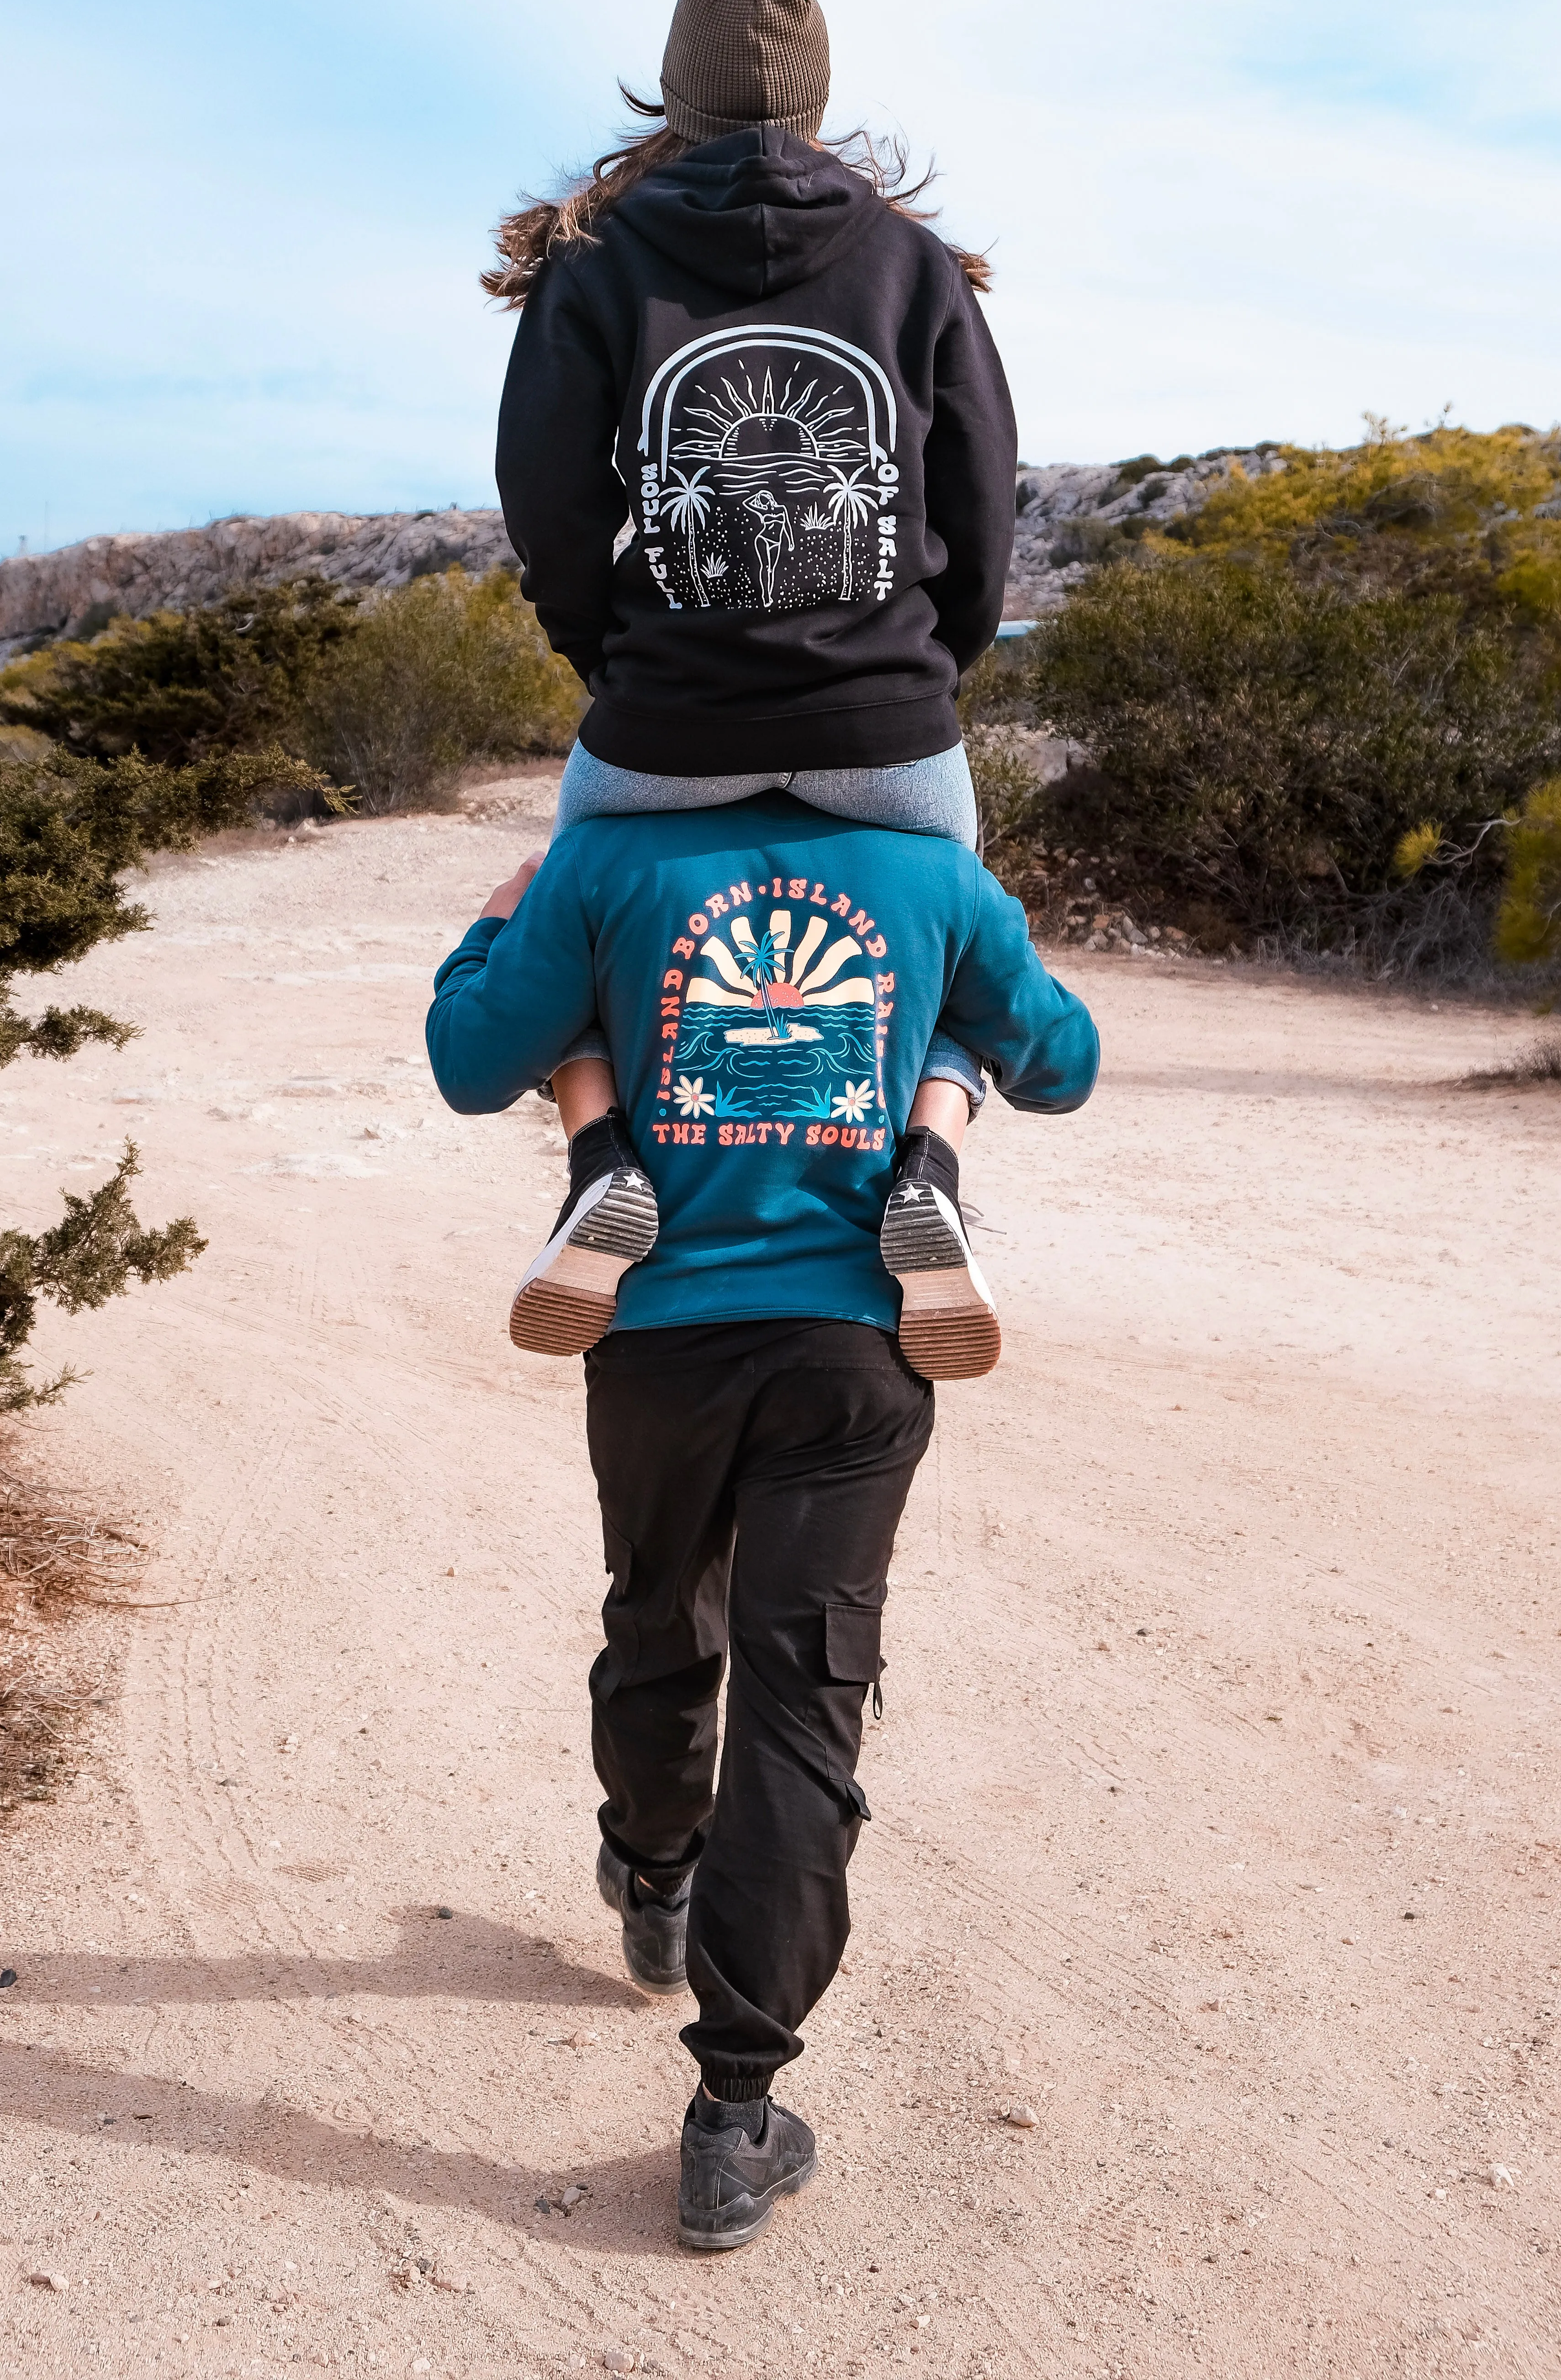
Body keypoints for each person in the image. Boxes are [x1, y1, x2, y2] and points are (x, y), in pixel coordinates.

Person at [426, 793, 1098, 2252]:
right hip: (858, 1340)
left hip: (661, 1329)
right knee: (807, 1699)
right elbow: (1070, 1060)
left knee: (664, 1614)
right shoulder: (930, 864)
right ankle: (737, 2114)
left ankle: (657, 1872)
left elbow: (470, 1061)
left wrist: (494, 922)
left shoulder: (612, 852)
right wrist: (971, 972)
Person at [482, 0, 1021, 1379]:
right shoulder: (910, 264)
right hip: (891, 727)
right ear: (820, 98)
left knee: (566, 937)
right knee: (974, 958)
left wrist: (619, 663)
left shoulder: (597, 262)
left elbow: (545, 500)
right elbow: (982, 502)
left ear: (671, 91)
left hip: (662, 728)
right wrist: (917, 672)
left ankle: (604, 1158)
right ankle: (929, 1165)